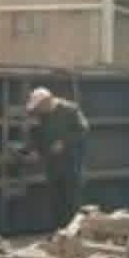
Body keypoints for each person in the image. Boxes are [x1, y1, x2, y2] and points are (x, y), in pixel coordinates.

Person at [26, 87, 90, 229]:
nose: (38, 110)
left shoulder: (70, 110)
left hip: (72, 164)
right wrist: (35, 150)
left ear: (47, 101)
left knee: (72, 200)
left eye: (39, 107)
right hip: (52, 164)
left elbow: (83, 130)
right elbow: (35, 134)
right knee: (56, 200)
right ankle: (59, 231)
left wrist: (64, 142)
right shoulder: (40, 115)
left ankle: (73, 232)